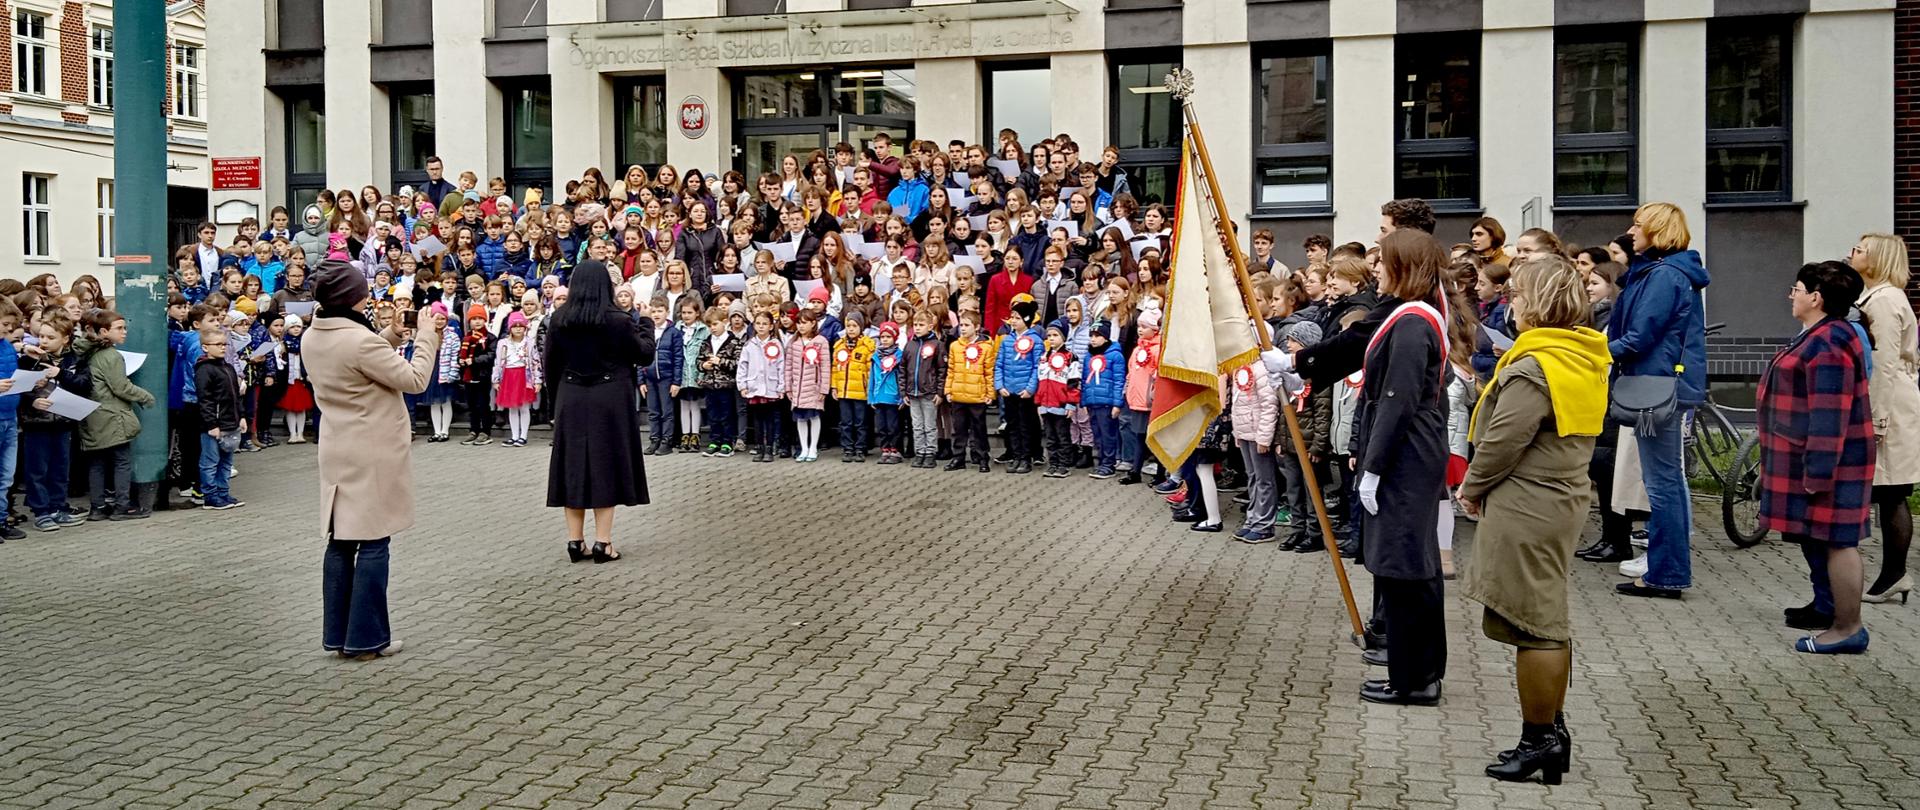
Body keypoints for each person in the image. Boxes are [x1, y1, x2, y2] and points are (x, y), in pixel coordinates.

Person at [1456, 254, 1611, 783]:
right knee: (1543, 616)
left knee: (1537, 625)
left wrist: (1472, 487)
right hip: (1561, 495)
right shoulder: (1580, 353)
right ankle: (1551, 731)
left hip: (1529, 501)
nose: (1512, 304)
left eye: (1519, 295)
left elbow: (1503, 440)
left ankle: (1540, 738)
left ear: (1540, 303)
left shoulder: (1534, 365)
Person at [303, 258, 442, 660]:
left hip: (337, 444)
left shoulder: (316, 333)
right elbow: (413, 380)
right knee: (375, 541)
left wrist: (391, 336)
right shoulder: (359, 340)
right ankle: (367, 638)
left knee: (341, 540)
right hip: (372, 448)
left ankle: (338, 635)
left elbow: (358, 360)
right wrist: (428, 337)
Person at [1350, 228, 1452, 706]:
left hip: (1406, 454)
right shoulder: (1409, 316)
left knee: (1405, 565)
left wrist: (1374, 466)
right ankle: (1418, 672)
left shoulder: (1413, 322)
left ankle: (1413, 677)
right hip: (1407, 449)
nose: (1377, 269)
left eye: (1383, 262)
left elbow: (1398, 400)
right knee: (1408, 564)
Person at [1759, 261, 1876, 654]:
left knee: (1839, 543)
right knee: (1820, 539)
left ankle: (1848, 628)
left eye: (1797, 289)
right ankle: (1829, 611)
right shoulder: (1820, 334)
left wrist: (1818, 473)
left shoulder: (1828, 343)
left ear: (1816, 297)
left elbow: (1830, 414)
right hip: (1809, 459)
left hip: (1830, 464)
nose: (1791, 295)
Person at [1609, 203, 1710, 599]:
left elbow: (1640, 335)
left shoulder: (1664, 275)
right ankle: (1666, 568)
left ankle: (1666, 573)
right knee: (1667, 480)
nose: (1631, 231)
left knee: (1662, 482)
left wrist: (1594, 352)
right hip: (1663, 384)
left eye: (1638, 225)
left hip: (1658, 387)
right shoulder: (1668, 272)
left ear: (1658, 231)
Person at [543, 260, 656, 564]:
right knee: (605, 466)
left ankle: (574, 540)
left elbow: (549, 366)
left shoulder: (559, 319)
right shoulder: (618, 320)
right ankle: (602, 543)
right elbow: (643, 354)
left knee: (572, 467)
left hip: (571, 395)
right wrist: (646, 321)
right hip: (610, 398)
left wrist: (558, 404)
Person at [1848, 234, 1919, 604]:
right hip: (1891, 402)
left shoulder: (1886, 302)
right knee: (1889, 491)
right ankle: (1893, 573)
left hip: (1891, 406)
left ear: (1876, 259)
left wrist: (1876, 421)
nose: (1851, 253)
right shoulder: (1878, 298)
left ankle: (1894, 573)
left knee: (1891, 491)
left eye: (1859, 249)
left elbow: (1884, 365)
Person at [77, 308, 156, 521]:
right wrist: (145, 396)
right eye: (119, 329)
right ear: (104, 331)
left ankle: (97, 507)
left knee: (97, 462)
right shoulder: (111, 356)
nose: (124, 333)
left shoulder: (88, 351)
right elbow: (120, 387)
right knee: (121, 460)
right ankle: (122, 505)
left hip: (92, 414)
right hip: (112, 415)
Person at [194, 325, 246, 510]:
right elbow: (205, 399)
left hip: (230, 421)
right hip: (214, 424)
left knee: (226, 461)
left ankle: (223, 493)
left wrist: (241, 416)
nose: (223, 347)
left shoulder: (228, 368)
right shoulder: (204, 370)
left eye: (225, 344)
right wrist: (211, 424)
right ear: (206, 347)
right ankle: (211, 496)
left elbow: (236, 396)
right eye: (218, 344)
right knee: (210, 462)